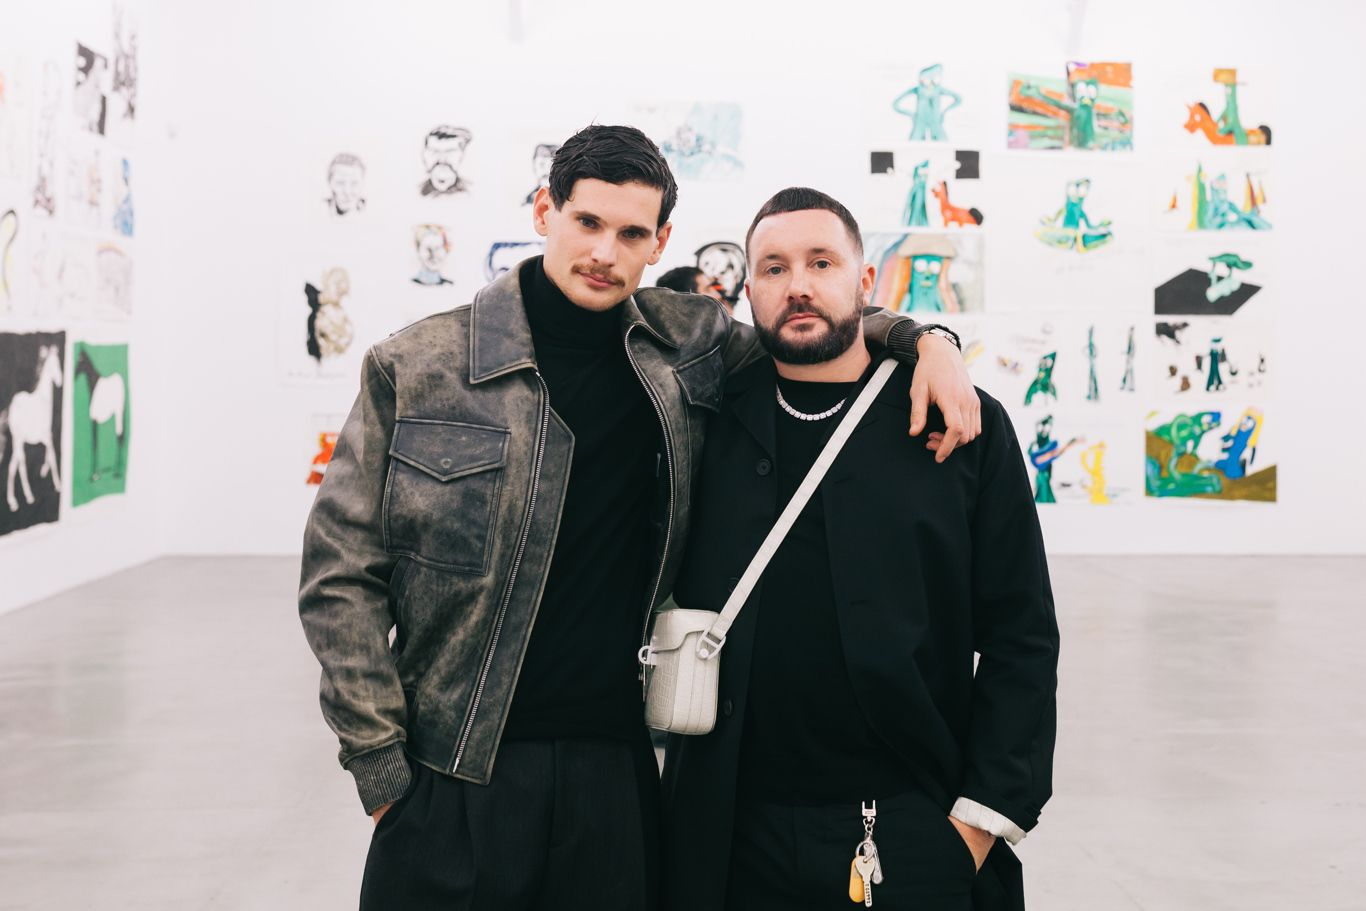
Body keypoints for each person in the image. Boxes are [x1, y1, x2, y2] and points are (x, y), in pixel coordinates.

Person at [299, 126, 982, 911]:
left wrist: (928, 340)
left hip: (615, 773)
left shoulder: (684, 345)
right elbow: (339, 574)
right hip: (452, 769)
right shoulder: (418, 366)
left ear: (660, 241)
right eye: (587, 222)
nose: (605, 252)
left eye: (631, 233)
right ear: (545, 211)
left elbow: (812, 322)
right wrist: (383, 771)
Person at [660, 187, 1058, 910]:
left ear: (865, 281)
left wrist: (973, 830)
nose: (798, 285)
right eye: (774, 268)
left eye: (822, 262)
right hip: (728, 833)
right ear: (749, 291)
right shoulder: (706, 423)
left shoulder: (956, 423)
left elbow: (1021, 634)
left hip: (907, 822)